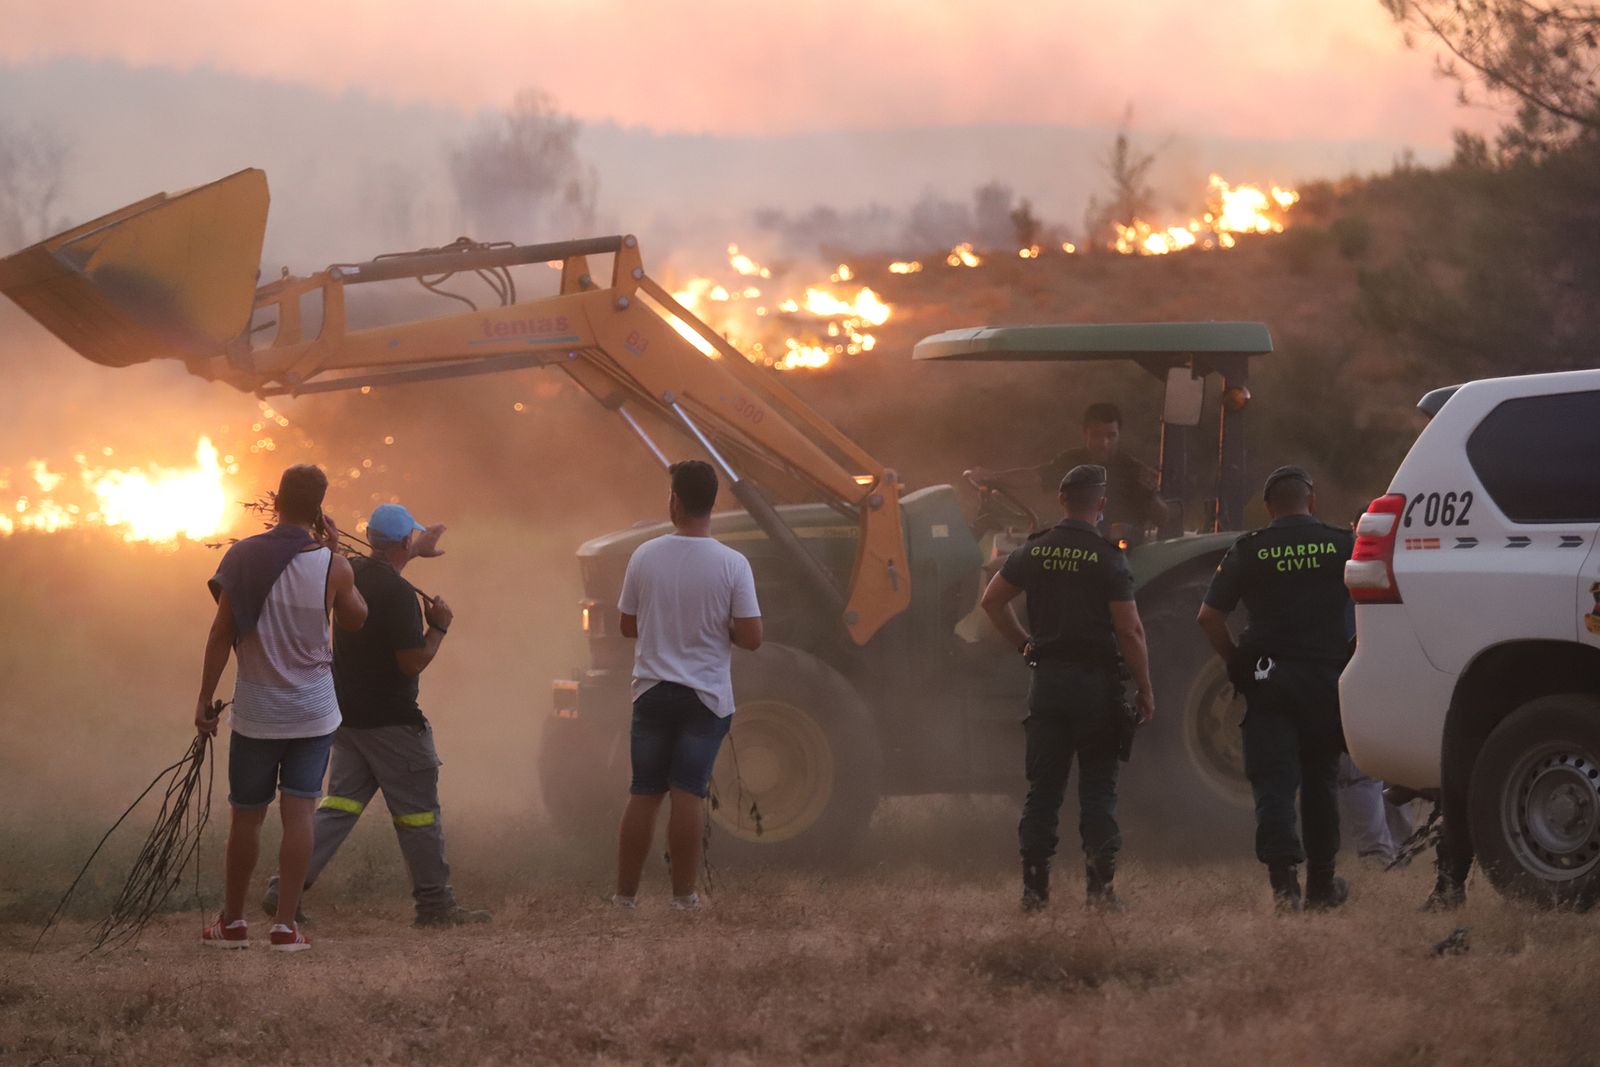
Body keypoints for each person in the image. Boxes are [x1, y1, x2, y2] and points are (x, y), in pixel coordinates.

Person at [263, 503, 490, 927]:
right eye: (410, 540)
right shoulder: (399, 595)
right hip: (394, 724)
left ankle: (283, 891)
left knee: (338, 809)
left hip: (348, 718)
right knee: (419, 815)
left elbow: (384, 568)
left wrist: (415, 552)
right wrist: (438, 627)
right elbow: (412, 662)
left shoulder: (349, 572)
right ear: (404, 540)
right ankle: (435, 906)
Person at [195, 464, 367, 952]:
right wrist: (335, 555)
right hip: (313, 712)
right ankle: (285, 927)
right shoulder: (333, 564)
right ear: (319, 509)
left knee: (246, 818)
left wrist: (204, 699)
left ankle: (231, 924)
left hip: (257, 711)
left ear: (275, 503)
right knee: (300, 814)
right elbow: (356, 619)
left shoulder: (242, 556)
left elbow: (220, 633)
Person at [979, 464, 1156, 912]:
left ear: (1061, 501)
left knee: (1043, 793)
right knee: (1097, 791)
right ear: (1100, 504)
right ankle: (1100, 894)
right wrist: (1145, 688)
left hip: (1048, 686)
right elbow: (1130, 630)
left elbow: (991, 601)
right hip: (1096, 689)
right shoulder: (1108, 557)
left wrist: (1024, 645)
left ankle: (1034, 895)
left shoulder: (1034, 552)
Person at [1196, 465, 1356, 913]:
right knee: (1321, 781)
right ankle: (1323, 887)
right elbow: (1373, 600)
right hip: (1325, 680)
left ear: (1268, 508)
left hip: (1269, 679)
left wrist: (1235, 663)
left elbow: (1208, 616)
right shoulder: (1341, 543)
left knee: (1274, 784)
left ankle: (1285, 891)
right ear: (1312, 499)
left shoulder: (1250, 549)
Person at [613, 460, 762, 912]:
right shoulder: (733, 563)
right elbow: (753, 638)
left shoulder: (644, 555)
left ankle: (624, 898)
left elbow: (625, 626)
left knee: (644, 792)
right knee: (688, 793)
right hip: (705, 698)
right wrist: (723, 631)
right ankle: (683, 899)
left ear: (675, 500)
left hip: (653, 692)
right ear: (712, 503)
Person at [1037, 403, 1168, 538]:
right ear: (1085, 433)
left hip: (1119, 551)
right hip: (1072, 546)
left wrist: (1150, 496)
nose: (1104, 443)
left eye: (1111, 436)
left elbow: (1162, 518)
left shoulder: (1132, 470)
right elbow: (1034, 478)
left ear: (1119, 435)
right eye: (1097, 435)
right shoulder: (1070, 462)